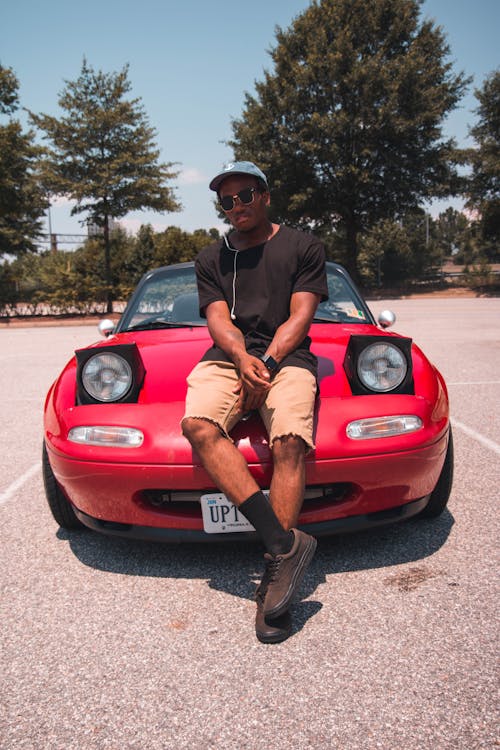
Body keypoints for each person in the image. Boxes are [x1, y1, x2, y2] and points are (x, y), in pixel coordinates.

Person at [181, 161, 328, 643]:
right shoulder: (212, 257)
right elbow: (219, 320)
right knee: (198, 425)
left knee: (288, 440)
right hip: (230, 357)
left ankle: (274, 584)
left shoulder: (304, 246)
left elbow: (299, 317)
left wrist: (264, 362)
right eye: (226, 201)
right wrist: (243, 358)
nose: (236, 206)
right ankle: (283, 547)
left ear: (265, 195)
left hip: (288, 356)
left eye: (245, 195)